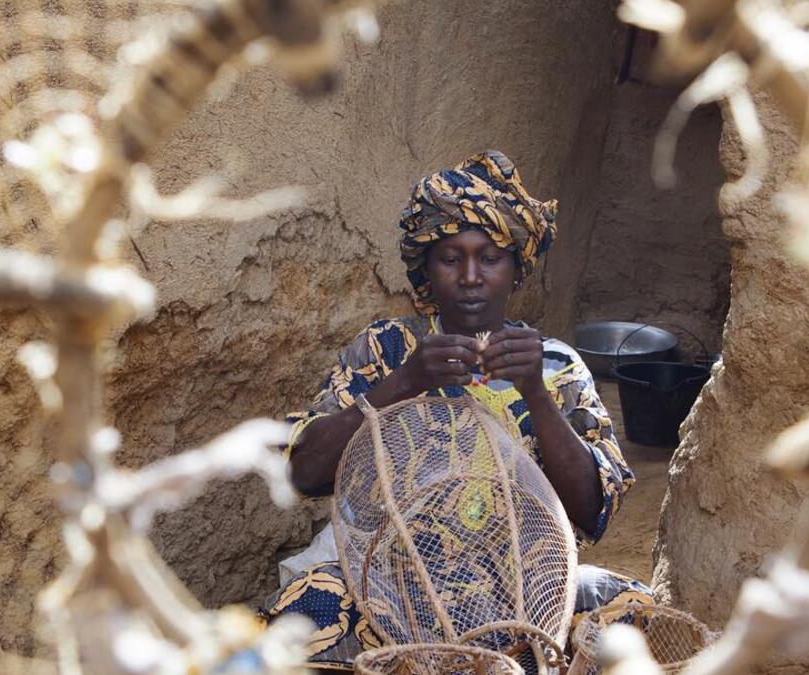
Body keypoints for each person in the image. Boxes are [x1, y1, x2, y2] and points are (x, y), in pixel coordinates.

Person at [260, 150, 653, 670]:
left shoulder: (555, 365)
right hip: (392, 587)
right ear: (426, 269)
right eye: (450, 259)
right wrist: (406, 381)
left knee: (633, 611)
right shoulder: (387, 348)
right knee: (310, 609)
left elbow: (592, 511)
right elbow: (303, 473)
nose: (470, 276)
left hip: (530, 592)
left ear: (516, 269)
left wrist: (535, 393)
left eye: (489, 258)